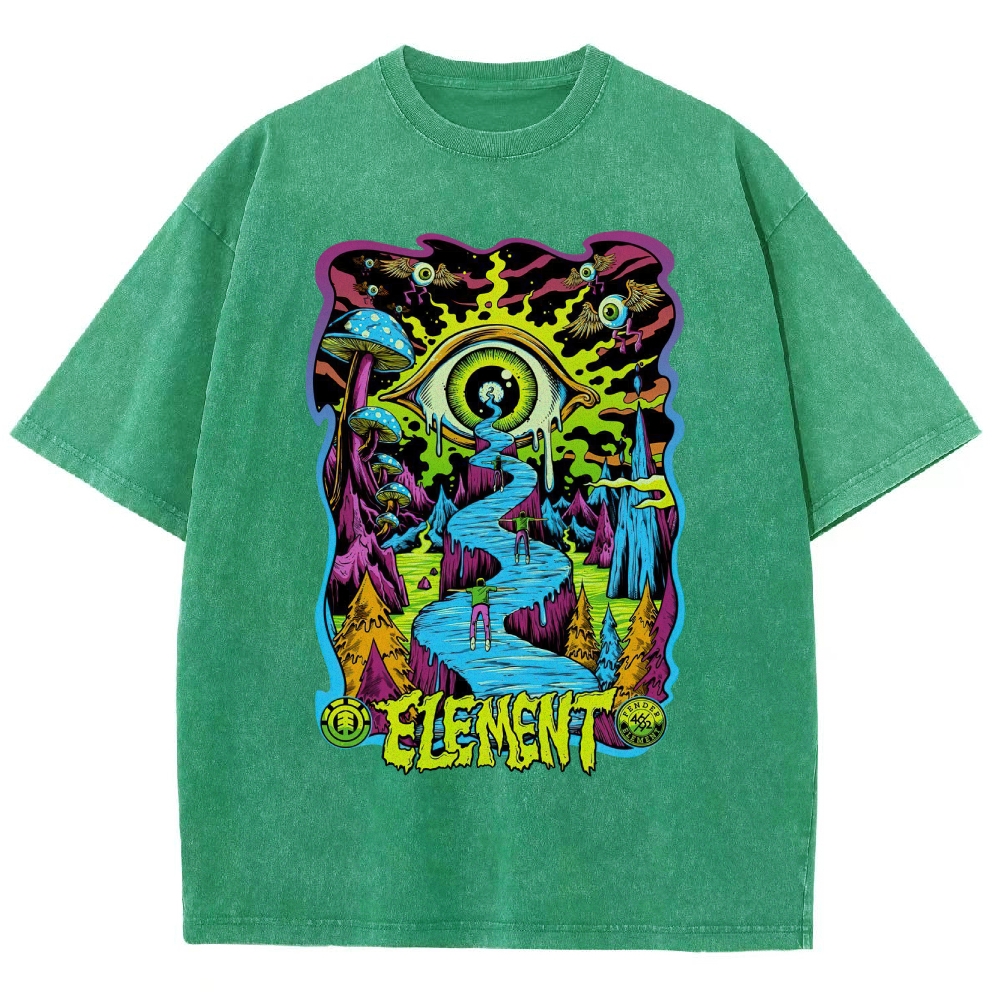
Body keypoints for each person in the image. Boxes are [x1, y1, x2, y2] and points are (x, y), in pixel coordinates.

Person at [448, 577, 514, 651]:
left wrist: (452, 589)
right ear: (483, 583)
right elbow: (498, 589)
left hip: (475, 607)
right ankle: (487, 640)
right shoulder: (486, 588)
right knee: (486, 624)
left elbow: (463, 590)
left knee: (473, 623)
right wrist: (509, 588)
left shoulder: (473, 589)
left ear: (477, 584)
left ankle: (472, 638)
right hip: (484, 607)